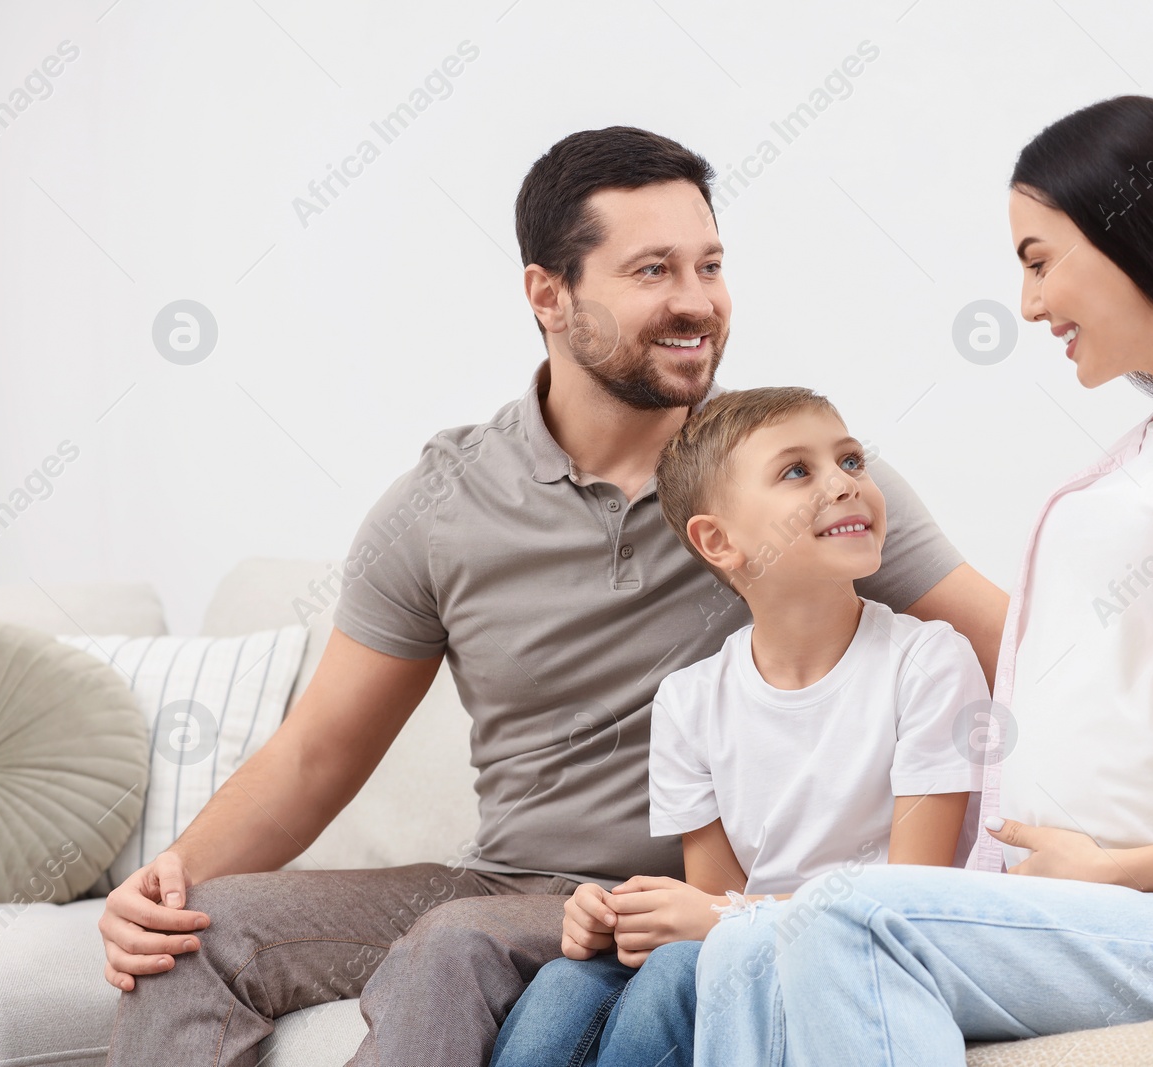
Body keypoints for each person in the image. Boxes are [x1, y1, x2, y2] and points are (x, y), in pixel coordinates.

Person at [97, 126, 1008, 1066]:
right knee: (190, 938)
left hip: (674, 896)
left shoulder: (792, 484)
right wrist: (169, 882)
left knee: (455, 943)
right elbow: (318, 751)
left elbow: (1009, 647)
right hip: (502, 885)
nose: (696, 302)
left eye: (710, 265)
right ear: (548, 294)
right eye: (653, 270)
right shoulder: (443, 504)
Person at [691, 94, 1153, 1066]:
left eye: (1039, 259)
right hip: (1063, 905)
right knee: (741, 945)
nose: (1028, 304)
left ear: (1135, 233)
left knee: (848, 912)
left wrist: (1123, 869)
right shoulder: (1106, 478)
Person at [488, 386, 988, 1067]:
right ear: (718, 541)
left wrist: (723, 918)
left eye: (850, 461)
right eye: (797, 471)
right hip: (747, 940)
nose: (844, 484)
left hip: (866, 953)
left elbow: (910, 899)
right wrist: (618, 917)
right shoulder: (690, 701)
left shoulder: (928, 662)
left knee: (671, 978)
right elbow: (712, 894)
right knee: (560, 986)